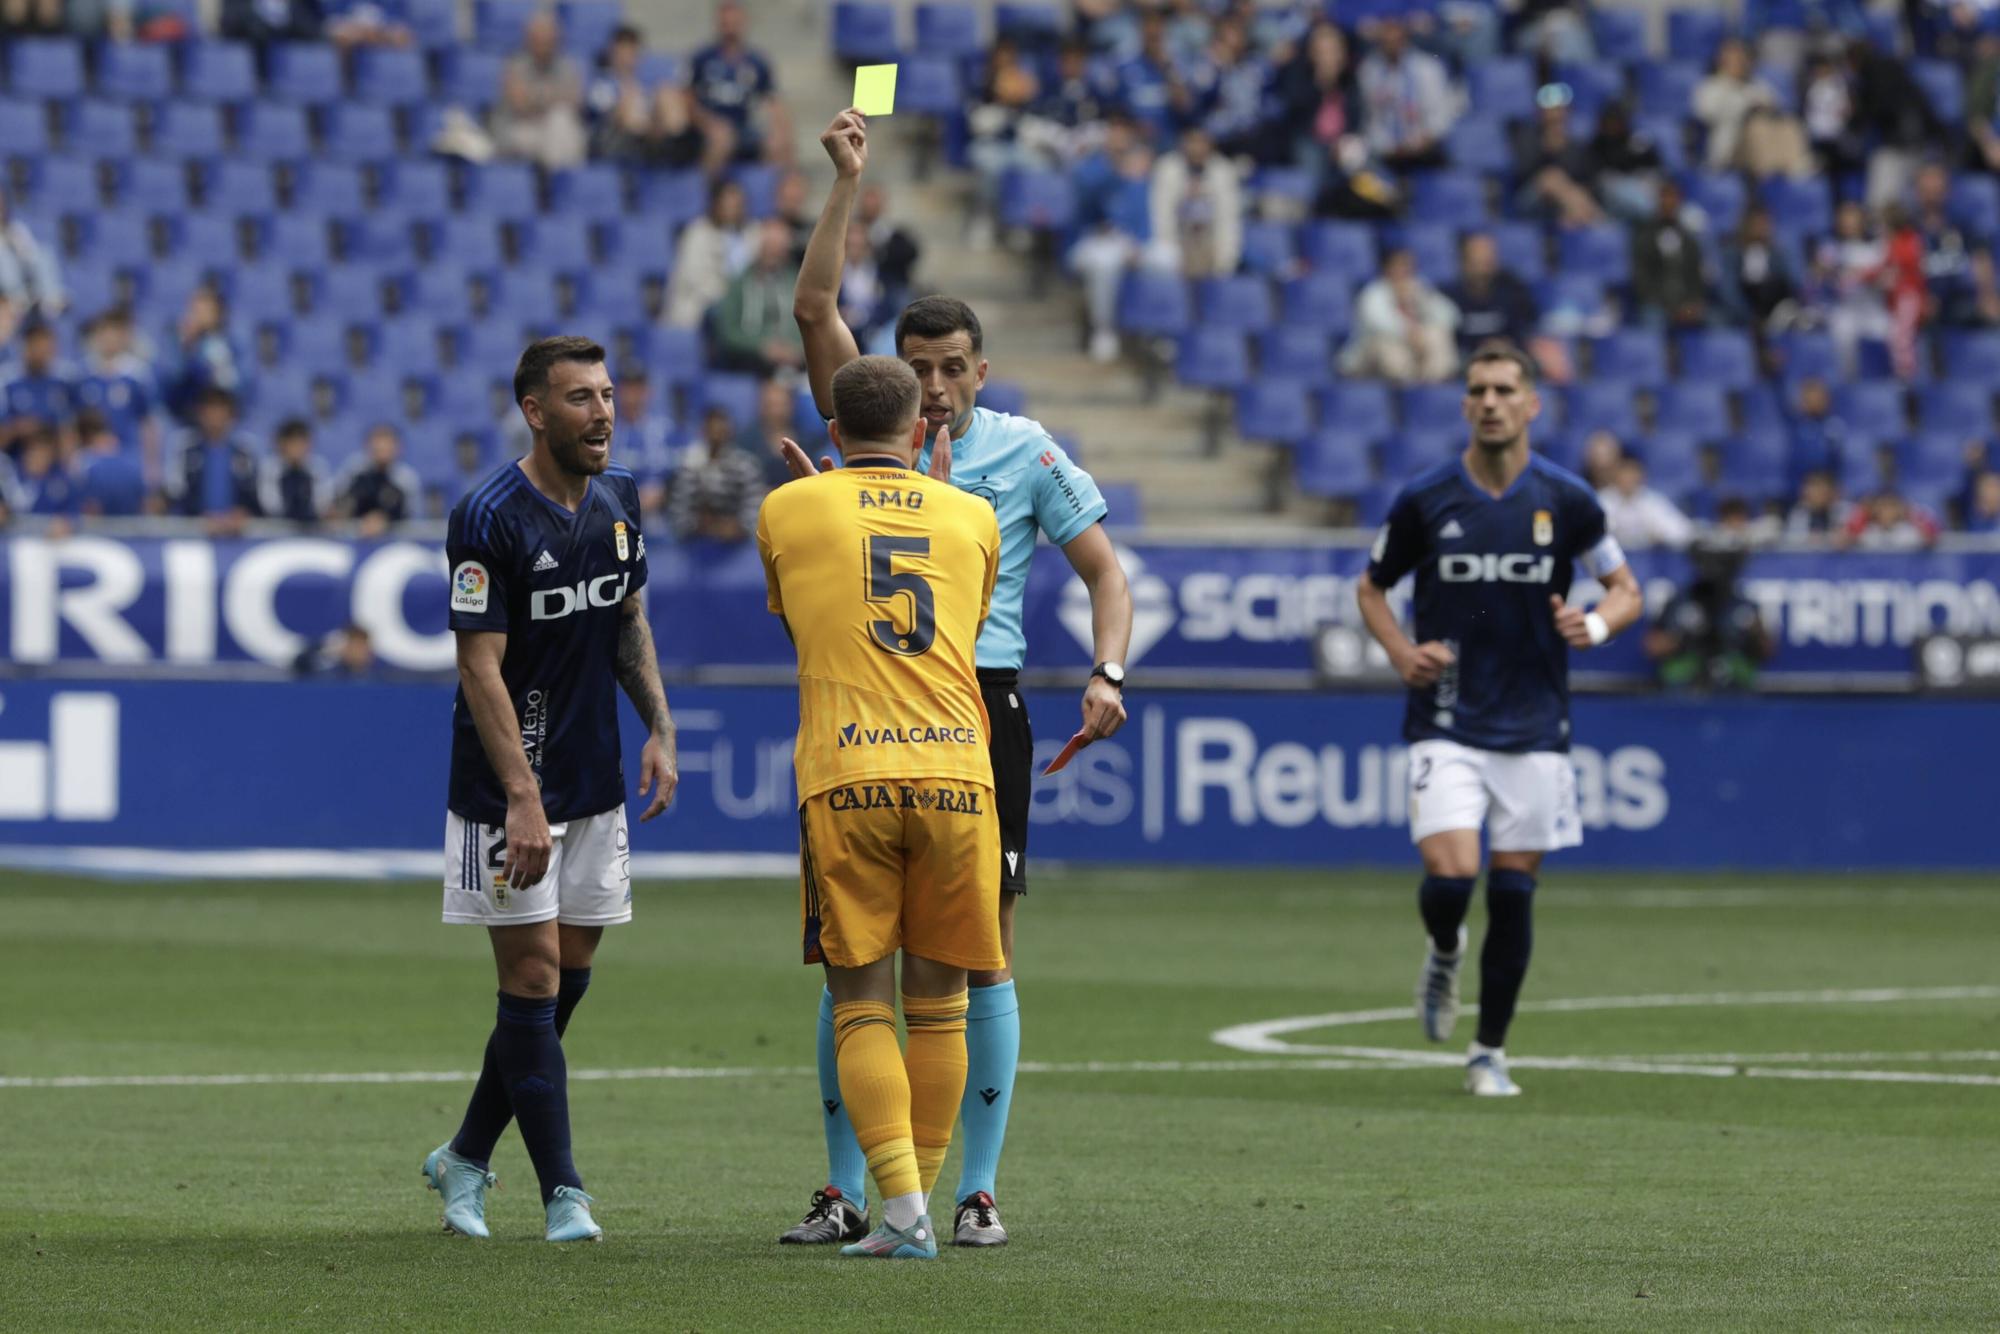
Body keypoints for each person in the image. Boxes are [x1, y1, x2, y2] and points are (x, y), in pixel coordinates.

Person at [783, 108, 1133, 1249]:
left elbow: (1102, 571)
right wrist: (847, 182)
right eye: (916, 367)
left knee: (977, 953)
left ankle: (966, 1186)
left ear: (980, 369)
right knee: (857, 959)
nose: (930, 387)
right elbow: (812, 308)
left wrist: (1107, 666)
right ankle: (856, 1189)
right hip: (885, 711)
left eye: (949, 369)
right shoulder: (865, 421)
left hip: (981, 704)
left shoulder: (1024, 451)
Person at [424, 336, 677, 1245]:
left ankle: (463, 1152)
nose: (602, 412)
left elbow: (628, 621)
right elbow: (479, 669)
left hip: (594, 784)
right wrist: (521, 795)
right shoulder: (487, 515)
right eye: (579, 398)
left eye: (607, 394)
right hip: (508, 794)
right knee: (529, 973)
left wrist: (661, 725)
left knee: (567, 979)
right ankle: (562, 1191)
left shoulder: (621, 499)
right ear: (535, 410)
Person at [755, 355, 1003, 1261]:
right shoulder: (972, 514)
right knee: (940, 1008)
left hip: (846, 774)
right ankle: (918, 1209)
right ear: (921, 429)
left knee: (861, 1002)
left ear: (831, 433)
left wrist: (826, 508)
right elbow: (962, 629)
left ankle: (900, 1209)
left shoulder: (788, 506)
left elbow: (805, 622)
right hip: (957, 777)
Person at [1355, 341, 1643, 1097]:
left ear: (1530, 403)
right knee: (1452, 874)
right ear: (1465, 404)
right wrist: (1399, 653)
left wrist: (1598, 625)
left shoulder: (1568, 499)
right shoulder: (1427, 498)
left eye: (1504, 389)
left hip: (1536, 722)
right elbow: (1371, 588)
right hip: (1446, 717)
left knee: (1514, 891)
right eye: (1478, 389)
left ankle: (1488, 1051)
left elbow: (1625, 588)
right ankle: (1445, 946)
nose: (1490, 401)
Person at [687, 0, 789, 166]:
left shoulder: (757, 62)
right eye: (725, 23)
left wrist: (779, 132)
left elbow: (773, 101)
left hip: (743, 127)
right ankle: (706, 189)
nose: (730, 28)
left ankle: (775, 188)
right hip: (707, 127)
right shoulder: (702, 58)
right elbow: (687, 98)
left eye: (734, 22)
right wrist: (708, 123)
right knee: (722, 139)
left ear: (743, 22)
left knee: (777, 143)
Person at [1341, 247, 1460, 384]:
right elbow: (1378, 323)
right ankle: (1408, 389)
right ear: (1386, 269)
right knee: (1390, 349)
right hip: (1369, 354)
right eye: (1398, 266)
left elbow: (1451, 315)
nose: (1404, 270)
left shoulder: (1418, 288)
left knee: (1438, 335)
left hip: (1413, 347)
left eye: (1407, 266)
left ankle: (1432, 386)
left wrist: (1421, 302)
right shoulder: (1373, 292)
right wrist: (1408, 332)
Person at [1356, 16, 1455, 171]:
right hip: (1386, 150)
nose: (1392, 46)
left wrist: (1427, 138)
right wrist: (1385, 145)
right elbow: (1371, 117)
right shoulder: (1369, 71)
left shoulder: (1427, 68)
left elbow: (1441, 114)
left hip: (1424, 146)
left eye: (1397, 40)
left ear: (1406, 40)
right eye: (1386, 42)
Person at [492, 11, 587, 172]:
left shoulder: (567, 66)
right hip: (520, 129)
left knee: (563, 122)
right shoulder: (515, 65)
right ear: (529, 39)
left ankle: (557, 180)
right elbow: (520, 106)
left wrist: (536, 98)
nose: (545, 44)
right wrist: (553, 97)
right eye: (539, 40)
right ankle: (562, 185)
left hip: (553, 130)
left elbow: (575, 102)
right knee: (560, 125)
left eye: (549, 40)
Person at [161, 386, 261, 534]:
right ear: (200, 414)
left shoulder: (245, 451)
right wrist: (199, 517)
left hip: (238, 535)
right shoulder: (186, 449)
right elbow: (175, 491)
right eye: (210, 410)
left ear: (231, 415)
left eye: (221, 410)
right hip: (195, 534)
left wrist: (243, 512)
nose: (215, 416)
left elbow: (256, 493)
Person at [1148, 126, 1243, 280]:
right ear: (1183, 143)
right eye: (1192, 141)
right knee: (1163, 257)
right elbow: (1161, 215)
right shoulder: (1167, 167)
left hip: (1210, 239)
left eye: (1201, 142)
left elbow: (1228, 220)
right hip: (1178, 238)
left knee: (1224, 263)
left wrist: (1225, 260)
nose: (1197, 147)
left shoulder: (1224, 170)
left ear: (1210, 144)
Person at [711, 220, 804, 377]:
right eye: (768, 248)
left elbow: (809, 324)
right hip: (751, 363)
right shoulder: (739, 283)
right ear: (759, 248)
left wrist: (797, 350)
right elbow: (728, 333)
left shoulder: (797, 281)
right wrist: (761, 347)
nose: (773, 255)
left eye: (778, 250)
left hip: (795, 362)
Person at [665, 179, 755, 329]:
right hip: (698, 309)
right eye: (728, 204)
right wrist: (731, 299)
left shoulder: (752, 234)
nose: (734, 210)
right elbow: (696, 280)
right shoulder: (697, 233)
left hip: (740, 311)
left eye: (738, 205)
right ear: (715, 204)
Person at [668, 404, 765, 543]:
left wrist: (737, 527)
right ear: (704, 431)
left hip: (740, 551)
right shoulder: (689, 466)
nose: (716, 435)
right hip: (696, 549)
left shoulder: (746, 466)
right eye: (712, 429)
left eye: (721, 430)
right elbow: (678, 514)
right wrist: (701, 525)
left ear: (730, 431)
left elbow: (756, 512)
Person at [75, 308, 159, 461]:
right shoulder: (82, 374)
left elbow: (147, 422)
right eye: (104, 332)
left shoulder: (137, 374)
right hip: (90, 457)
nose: (109, 338)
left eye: (114, 332)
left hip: (128, 455)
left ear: (123, 336)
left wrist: (151, 463)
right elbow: (73, 422)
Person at [1443, 232, 1539, 356]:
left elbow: (1525, 327)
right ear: (1463, 261)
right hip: (1466, 358)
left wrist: (1507, 343)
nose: (1485, 262)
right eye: (1477, 257)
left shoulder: (1513, 290)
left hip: (1507, 355)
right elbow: (1449, 339)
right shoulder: (1448, 296)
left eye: (1489, 256)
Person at [1630, 181, 1708, 330]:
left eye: (1672, 197)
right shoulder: (1644, 237)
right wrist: (1668, 306)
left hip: (1685, 304)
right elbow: (1641, 277)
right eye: (1664, 197)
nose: (1668, 202)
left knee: (1713, 321)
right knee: (1652, 318)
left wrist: (1691, 303)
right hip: (1656, 303)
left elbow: (1695, 275)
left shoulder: (1689, 240)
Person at [1, 318, 78, 452]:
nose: (40, 348)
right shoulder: (7, 380)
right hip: (15, 455)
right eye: (34, 342)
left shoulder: (65, 380)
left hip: (55, 456)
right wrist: (17, 428)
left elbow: (72, 427)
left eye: (44, 341)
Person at [336, 423, 425, 535]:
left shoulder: (406, 479)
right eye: (378, 445)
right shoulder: (354, 472)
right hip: (355, 535)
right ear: (368, 446)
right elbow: (339, 507)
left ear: (398, 448)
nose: (382, 450)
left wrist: (386, 520)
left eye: (387, 445)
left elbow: (412, 518)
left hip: (396, 540)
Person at [1597, 452, 1694, 550]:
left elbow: (1682, 532)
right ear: (1615, 474)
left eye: (1632, 472)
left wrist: (1661, 535)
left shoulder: (1652, 502)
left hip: (1651, 561)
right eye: (1624, 472)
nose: (1628, 478)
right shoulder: (1602, 500)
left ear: (1641, 475)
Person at [0, 186, 65, 314]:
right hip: (6, 284)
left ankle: (51, 296)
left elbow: (30, 254)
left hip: (20, 275)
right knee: (4, 256)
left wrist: (15, 244)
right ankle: (17, 297)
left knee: (45, 252)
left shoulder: (15, 228)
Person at [258, 418, 331, 526]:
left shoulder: (318, 467)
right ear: (282, 443)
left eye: (302, 442)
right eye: (294, 442)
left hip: (313, 529)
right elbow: (271, 506)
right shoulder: (269, 468)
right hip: (277, 530)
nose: (298, 448)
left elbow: (323, 504)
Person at [77, 409, 147, 518]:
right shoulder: (134, 461)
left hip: (101, 528)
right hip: (130, 525)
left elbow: (90, 507)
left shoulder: (85, 462)